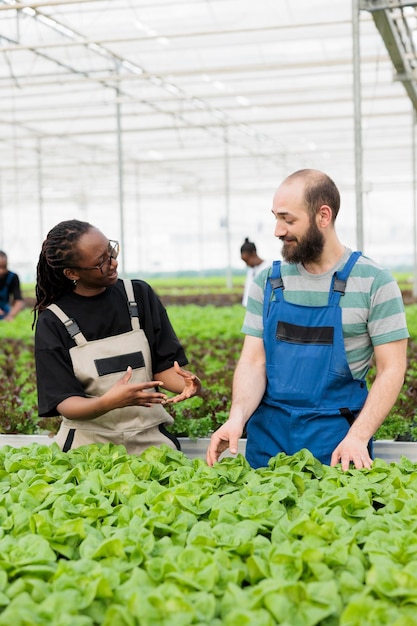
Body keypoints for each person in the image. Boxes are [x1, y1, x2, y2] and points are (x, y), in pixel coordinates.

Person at [207, 169, 409, 472]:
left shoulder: (373, 282)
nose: (277, 230)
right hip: (269, 442)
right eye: (275, 217)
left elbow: (392, 369)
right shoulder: (268, 282)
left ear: (323, 216)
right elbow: (253, 362)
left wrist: (359, 435)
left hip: (338, 444)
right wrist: (236, 418)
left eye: (288, 220)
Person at [33, 219, 202, 455]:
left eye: (110, 252)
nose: (113, 263)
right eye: (100, 262)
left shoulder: (138, 295)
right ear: (72, 273)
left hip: (149, 440)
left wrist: (187, 384)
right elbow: (65, 402)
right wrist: (109, 402)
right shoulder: (53, 321)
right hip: (87, 447)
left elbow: (162, 368)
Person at [240, 238, 271, 307]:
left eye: (247, 260)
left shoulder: (269, 267)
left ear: (253, 253)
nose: (246, 264)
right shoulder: (251, 270)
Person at [0, 250, 25, 321]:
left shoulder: (12, 277)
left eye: (4, 267)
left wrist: (11, 315)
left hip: (5, 312)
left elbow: (19, 300)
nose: (1, 271)